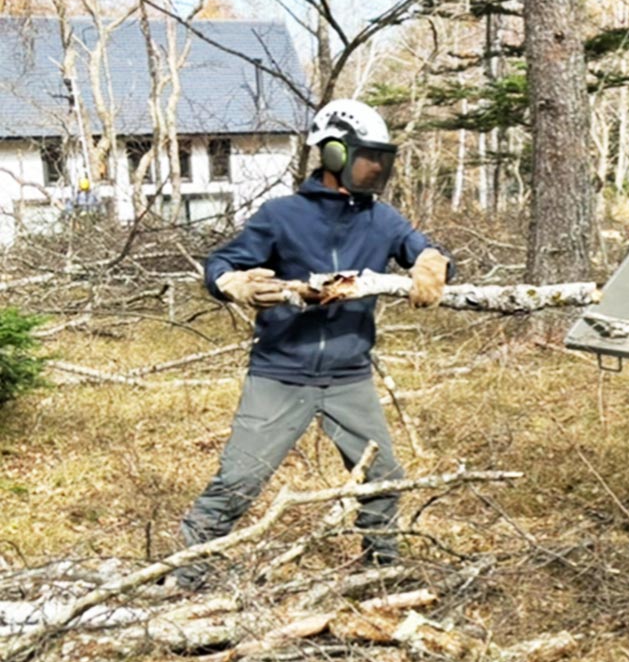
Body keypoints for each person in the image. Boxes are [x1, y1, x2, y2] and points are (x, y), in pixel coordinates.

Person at [173, 99, 452, 587]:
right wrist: (233, 284)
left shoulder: (382, 220)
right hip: (281, 372)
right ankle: (183, 573)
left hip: (349, 376)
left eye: (382, 159)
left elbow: (421, 248)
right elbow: (221, 263)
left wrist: (431, 262)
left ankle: (380, 575)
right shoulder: (281, 216)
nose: (376, 168)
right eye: (368, 157)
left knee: (383, 479)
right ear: (334, 154)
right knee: (238, 481)